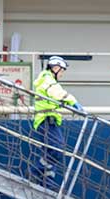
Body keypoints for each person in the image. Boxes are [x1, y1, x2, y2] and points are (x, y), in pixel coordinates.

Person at [32, 56, 84, 184]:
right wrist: (73, 102)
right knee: (57, 149)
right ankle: (36, 172)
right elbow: (57, 93)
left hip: (49, 121)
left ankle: (47, 182)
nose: (62, 74)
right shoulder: (47, 80)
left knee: (50, 151)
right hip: (46, 121)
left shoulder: (46, 80)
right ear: (55, 68)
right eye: (61, 71)